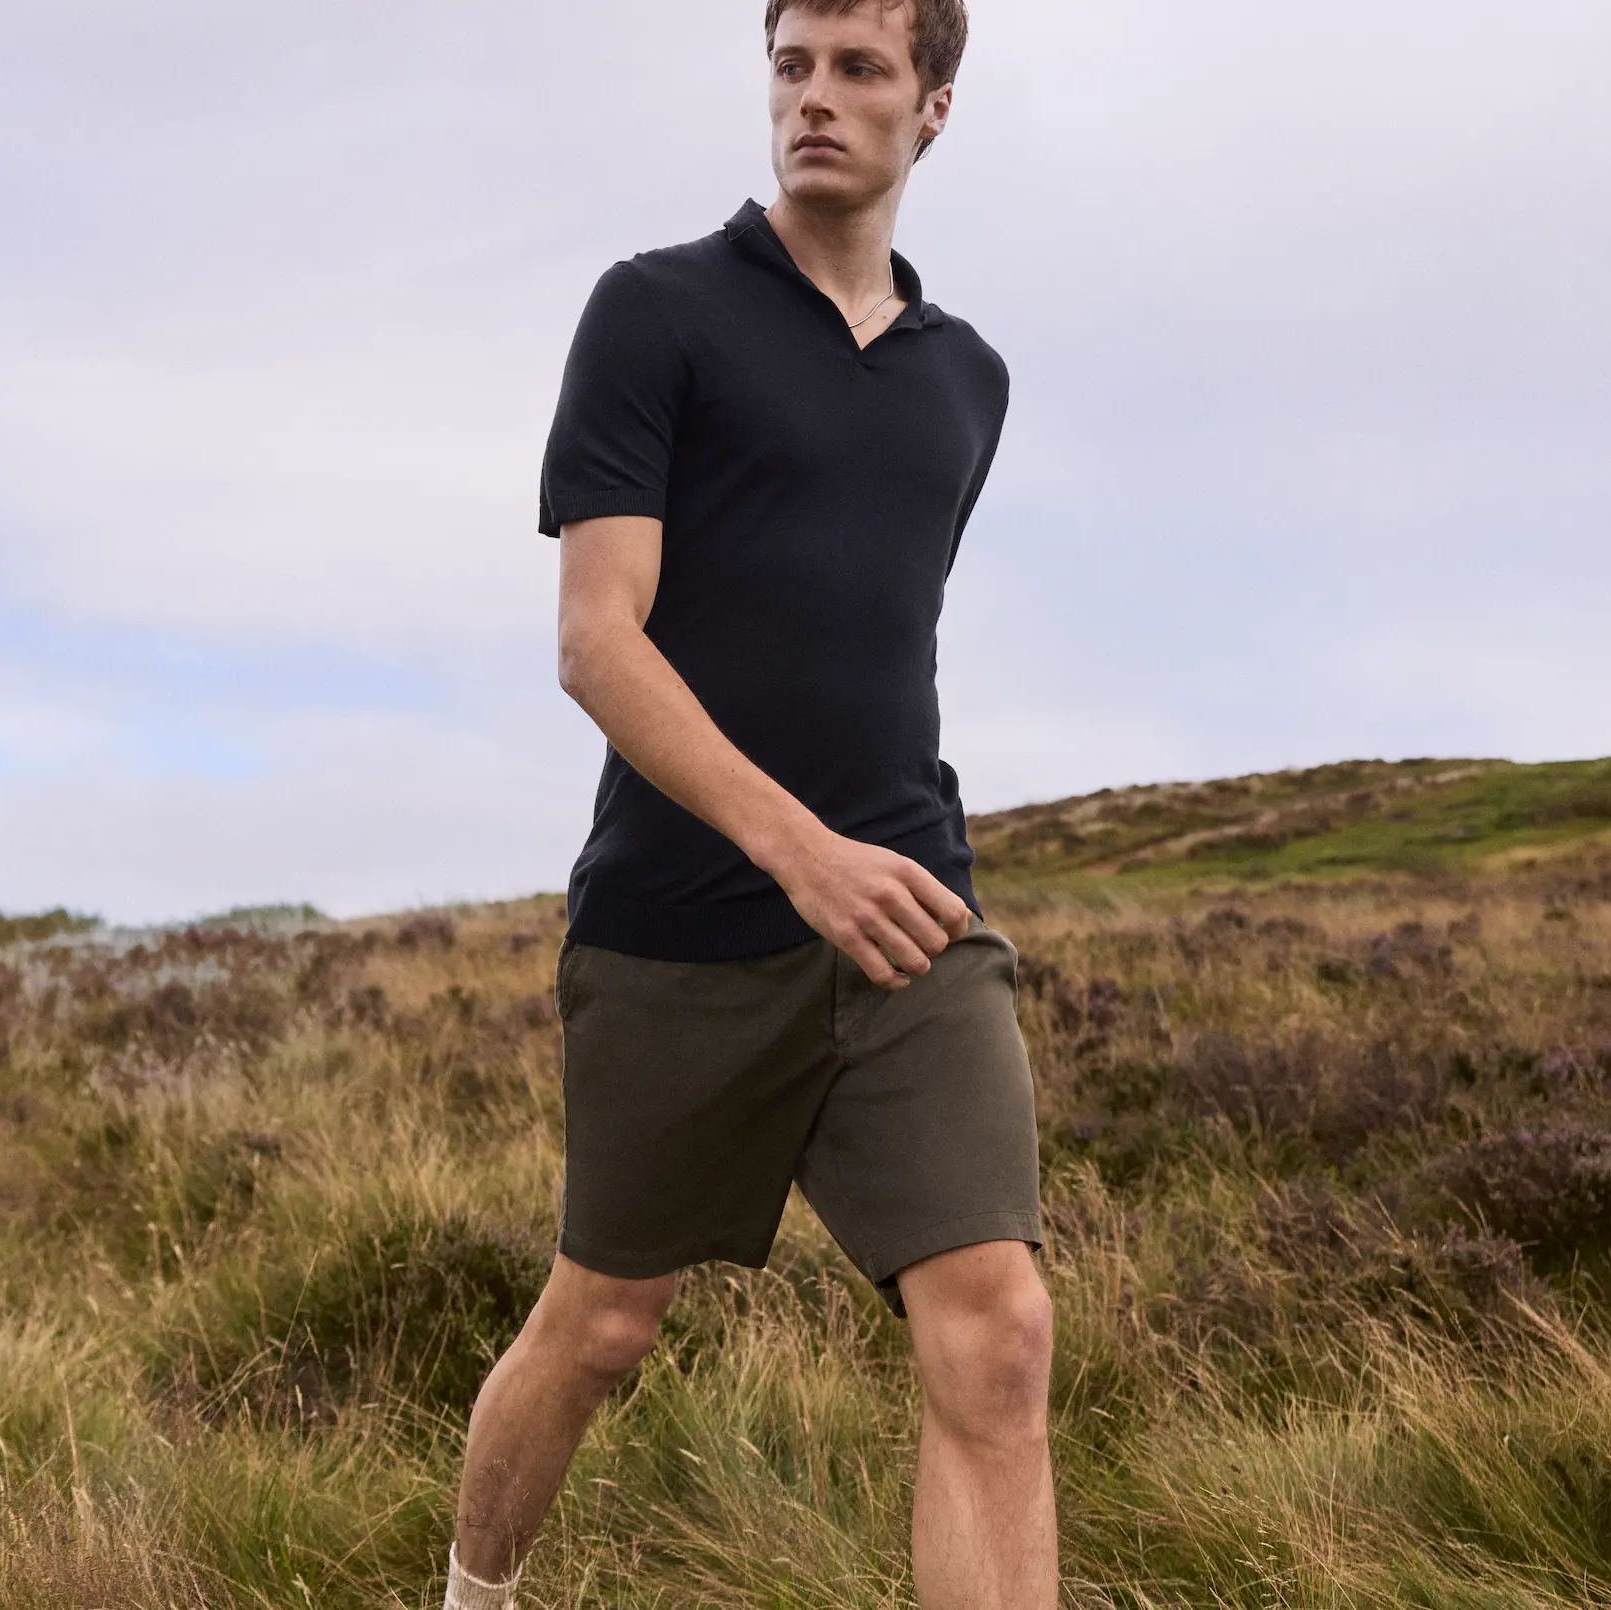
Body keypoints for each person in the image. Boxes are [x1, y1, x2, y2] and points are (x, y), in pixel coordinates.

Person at [440, 2, 1055, 1605]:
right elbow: (596, 639)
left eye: (860, 71)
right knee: (605, 1324)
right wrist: (797, 853)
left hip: (909, 916)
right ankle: (471, 1595)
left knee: (997, 1329)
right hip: (682, 926)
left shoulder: (967, 382)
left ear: (933, 109)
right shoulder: (656, 314)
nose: (817, 101)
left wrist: (864, 866)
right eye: (793, 67)